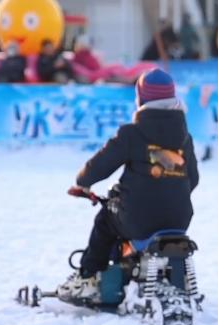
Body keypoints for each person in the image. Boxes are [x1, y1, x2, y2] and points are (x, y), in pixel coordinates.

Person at [57, 70, 200, 301]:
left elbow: (100, 166)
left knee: (105, 220)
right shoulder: (185, 137)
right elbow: (193, 179)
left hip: (138, 219)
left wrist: (83, 182)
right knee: (121, 217)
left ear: (140, 99)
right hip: (179, 218)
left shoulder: (132, 133)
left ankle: (87, 276)